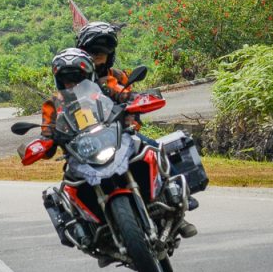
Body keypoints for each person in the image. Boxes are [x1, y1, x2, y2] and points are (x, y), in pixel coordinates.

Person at [40, 48, 196, 238]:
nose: (72, 82)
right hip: (80, 154)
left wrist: (136, 101)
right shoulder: (53, 104)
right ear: (59, 80)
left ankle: (175, 200)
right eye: (66, 78)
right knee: (66, 190)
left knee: (148, 149)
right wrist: (44, 143)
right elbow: (46, 132)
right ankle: (83, 232)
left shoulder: (104, 88)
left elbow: (126, 96)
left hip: (115, 140)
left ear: (88, 75)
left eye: (77, 77)